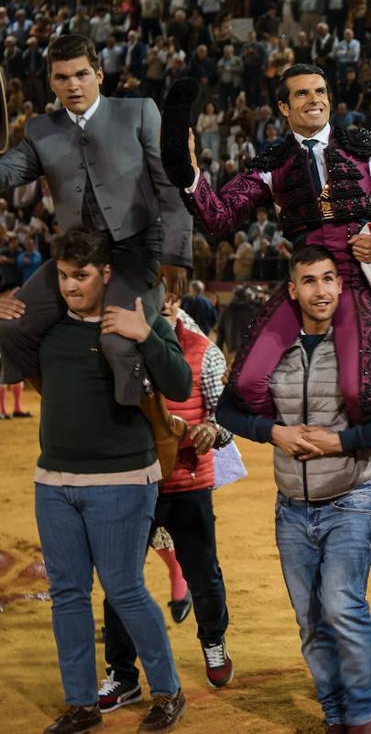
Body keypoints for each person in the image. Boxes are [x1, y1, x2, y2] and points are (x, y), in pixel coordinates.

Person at [164, 64, 371, 430]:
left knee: (363, 393)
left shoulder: (365, 147)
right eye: (302, 93)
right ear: (284, 107)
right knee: (247, 383)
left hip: (361, 278)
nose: (315, 100)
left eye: (320, 92)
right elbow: (219, 218)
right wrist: (189, 173)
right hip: (305, 277)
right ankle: (307, 432)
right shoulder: (272, 162)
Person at [216, 245, 371, 734]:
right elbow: (226, 411)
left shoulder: (363, 347)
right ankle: (335, 715)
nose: (321, 290)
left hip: (351, 497)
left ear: (341, 285)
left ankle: (362, 716)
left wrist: (341, 441)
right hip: (291, 506)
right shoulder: (270, 351)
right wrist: (274, 432)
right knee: (310, 619)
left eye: (329, 278)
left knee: (341, 605)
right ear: (292, 290)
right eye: (309, 281)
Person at [27, 229, 191, 734]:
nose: (71, 286)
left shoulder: (136, 320)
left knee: (123, 588)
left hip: (123, 477)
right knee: (68, 594)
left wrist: (147, 336)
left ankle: (167, 690)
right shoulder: (48, 326)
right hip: (53, 479)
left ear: (106, 274)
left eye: (81, 276)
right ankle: (82, 704)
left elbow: (180, 384)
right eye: (62, 276)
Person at [0, 34, 191, 410]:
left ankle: (148, 426)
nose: (73, 85)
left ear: (99, 75)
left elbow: (171, 188)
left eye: (81, 74)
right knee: (10, 328)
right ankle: (63, 404)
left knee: (117, 340)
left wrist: (177, 254)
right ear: (51, 81)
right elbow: (7, 172)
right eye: (62, 77)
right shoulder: (41, 130)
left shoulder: (139, 112)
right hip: (76, 258)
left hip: (139, 250)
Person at [98, 297, 236, 712]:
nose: (165, 304)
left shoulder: (203, 351)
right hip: (133, 481)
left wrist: (214, 429)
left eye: (170, 297)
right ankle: (123, 674)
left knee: (203, 575)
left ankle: (213, 642)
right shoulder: (116, 346)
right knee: (120, 581)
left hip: (188, 482)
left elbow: (226, 412)